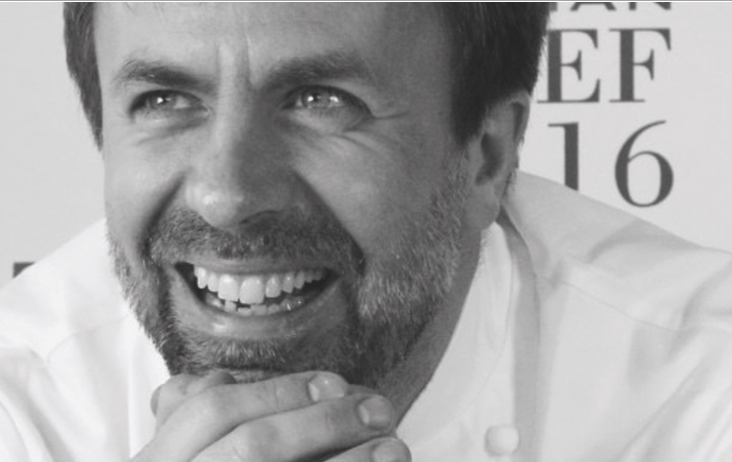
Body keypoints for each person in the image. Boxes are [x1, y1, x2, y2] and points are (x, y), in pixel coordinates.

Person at [2, 3, 732, 461]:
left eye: (321, 100)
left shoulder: (702, 382)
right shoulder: (22, 405)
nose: (226, 198)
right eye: (165, 100)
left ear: (487, 157)